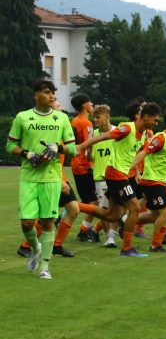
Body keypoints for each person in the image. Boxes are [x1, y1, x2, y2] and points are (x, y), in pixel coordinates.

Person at [7, 79, 76, 279]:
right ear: (36, 94)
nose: (52, 96)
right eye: (47, 92)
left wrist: (58, 148)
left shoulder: (62, 118)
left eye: (53, 92)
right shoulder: (23, 117)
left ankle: (45, 267)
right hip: (29, 177)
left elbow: (74, 147)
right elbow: (10, 146)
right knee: (27, 223)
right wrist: (27, 154)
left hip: (51, 177)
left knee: (47, 221)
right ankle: (36, 249)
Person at [76, 102, 162, 257]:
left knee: (112, 215)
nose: (156, 124)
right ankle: (127, 248)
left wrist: (135, 170)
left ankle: (75, 206)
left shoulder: (143, 134)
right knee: (135, 207)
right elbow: (104, 136)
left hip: (123, 175)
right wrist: (80, 147)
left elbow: (133, 155)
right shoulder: (128, 128)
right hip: (116, 174)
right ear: (146, 117)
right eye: (155, 120)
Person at [70, 93, 100, 242]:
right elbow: (89, 144)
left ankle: (83, 228)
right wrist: (92, 160)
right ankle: (83, 230)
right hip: (84, 164)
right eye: (90, 102)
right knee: (94, 202)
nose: (92, 104)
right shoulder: (86, 123)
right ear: (84, 105)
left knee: (90, 201)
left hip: (76, 163)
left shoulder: (74, 121)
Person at [88, 104, 118, 247]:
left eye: (98, 117)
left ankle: (113, 234)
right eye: (94, 117)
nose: (95, 120)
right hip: (100, 177)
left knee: (118, 207)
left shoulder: (118, 131)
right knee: (105, 210)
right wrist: (88, 150)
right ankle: (109, 237)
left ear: (107, 116)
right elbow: (90, 158)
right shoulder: (93, 134)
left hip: (117, 175)